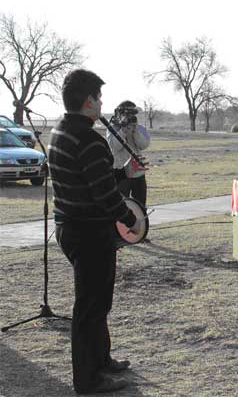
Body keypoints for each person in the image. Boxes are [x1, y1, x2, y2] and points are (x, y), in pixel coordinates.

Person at [49, 69, 142, 394]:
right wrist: (129, 220)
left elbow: (92, 177)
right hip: (89, 233)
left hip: (69, 228)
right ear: (88, 101)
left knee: (98, 302)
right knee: (90, 307)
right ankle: (87, 380)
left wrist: (123, 171)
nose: (102, 103)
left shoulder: (60, 130)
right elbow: (105, 195)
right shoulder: (89, 139)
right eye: (99, 98)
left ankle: (102, 360)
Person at [107, 100, 150, 206]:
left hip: (138, 173)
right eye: (127, 114)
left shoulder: (139, 128)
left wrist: (135, 131)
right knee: (122, 205)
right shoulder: (112, 128)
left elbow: (144, 145)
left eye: (132, 114)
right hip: (121, 172)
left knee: (140, 206)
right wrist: (124, 130)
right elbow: (115, 146)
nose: (130, 117)